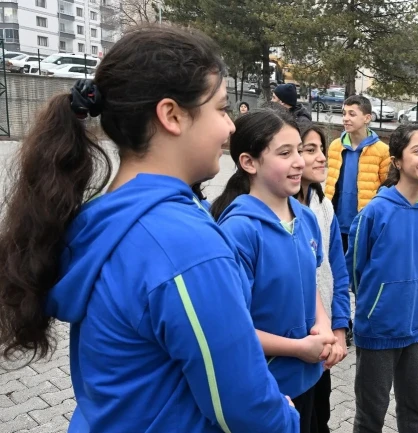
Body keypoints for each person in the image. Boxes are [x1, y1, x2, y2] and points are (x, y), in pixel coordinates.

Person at [0, 25, 299, 432]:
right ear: (172, 115)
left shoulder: (105, 215)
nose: (231, 127)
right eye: (221, 109)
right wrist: (285, 417)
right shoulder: (183, 245)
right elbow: (243, 406)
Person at [211, 109, 343, 433]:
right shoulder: (239, 231)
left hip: (309, 375)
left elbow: (310, 284)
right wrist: (298, 348)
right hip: (267, 386)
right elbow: (233, 328)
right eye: (285, 153)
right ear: (249, 162)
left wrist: (323, 324)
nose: (299, 161)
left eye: (299, 150)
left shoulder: (306, 217)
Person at [346, 122, 418, 433]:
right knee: (371, 415)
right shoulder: (375, 212)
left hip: (417, 326)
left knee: (414, 411)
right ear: (397, 161)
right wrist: (376, 303)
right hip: (379, 329)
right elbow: (354, 269)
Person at [295, 125, 352, 432]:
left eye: (322, 149)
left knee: (320, 417)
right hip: (290, 342)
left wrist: (339, 329)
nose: (321, 158)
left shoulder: (324, 206)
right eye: (310, 150)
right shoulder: (271, 211)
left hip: (324, 337)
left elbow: (337, 272)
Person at [325, 94, 391, 346]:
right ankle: (343, 324)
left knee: (363, 278)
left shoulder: (381, 151)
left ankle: (365, 321)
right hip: (336, 224)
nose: (346, 118)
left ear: (367, 117)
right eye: (344, 113)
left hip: (364, 227)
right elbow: (329, 182)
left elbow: (387, 188)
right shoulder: (335, 146)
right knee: (336, 277)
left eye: (352, 114)